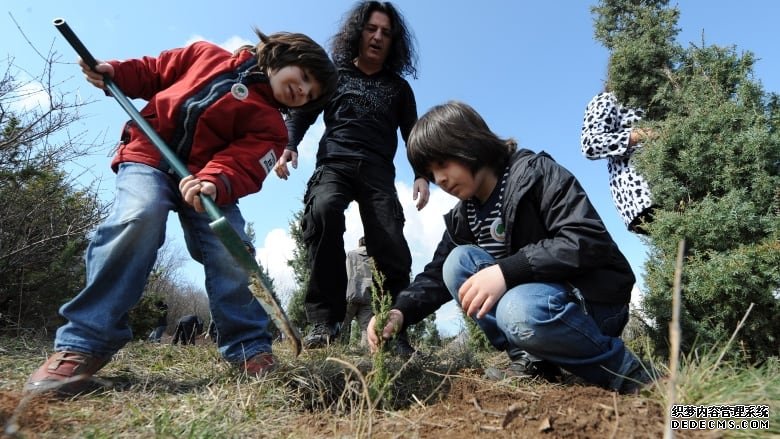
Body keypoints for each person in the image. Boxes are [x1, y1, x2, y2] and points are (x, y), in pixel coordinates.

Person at [25, 29, 337, 395]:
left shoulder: (272, 129)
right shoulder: (204, 54)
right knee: (138, 216)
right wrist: (116, 72)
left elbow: (245, 164)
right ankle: (83, 345)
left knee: (231, 248)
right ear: (281, 54)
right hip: (149, 158)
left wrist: (213, 181)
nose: (302, 91)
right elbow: (154, 71)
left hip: (207, 184)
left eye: (310, 94)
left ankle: (250, 348)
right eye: (302, 77)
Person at [368, 101, 652, 394]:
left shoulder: (536, 173)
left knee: (517, 310)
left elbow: (587, 239)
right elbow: (437, 274)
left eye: (442, 163)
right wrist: (400, 312)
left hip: (594, 302)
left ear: (468, 144)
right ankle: (533, 362)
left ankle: (628, 372)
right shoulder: (464, 214)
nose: (439, 179)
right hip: (533, 306)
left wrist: (507, 270)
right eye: (430, 171)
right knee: (457, 262)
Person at [274, 1, 428, 355]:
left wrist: (421, 173)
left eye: (386, 33)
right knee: (323, 210)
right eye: (371, 29)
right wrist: (289, 144)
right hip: (335, 163)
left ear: (394, 42)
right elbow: (302, 112)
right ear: (358, 32)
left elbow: (413, 135)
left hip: (378, 170)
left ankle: (395, 328)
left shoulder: (399, 89)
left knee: (389, 237)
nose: (377, 37)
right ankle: (324, 323)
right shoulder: (334, 75)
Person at [580, 81, 655, 234]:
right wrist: (640, 135)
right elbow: (590, 144)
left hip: (672, 181)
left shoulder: (652, 100)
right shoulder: (607, 99)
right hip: (643, 192)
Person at [341, 237, 375, 349]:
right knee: (366, 329)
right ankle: (365, 354)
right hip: (368, 296)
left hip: (350, 294)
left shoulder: (350, 254)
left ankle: (338, 349)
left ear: (359, 243)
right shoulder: (374, 257)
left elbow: (344, 273)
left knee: (342, 325)